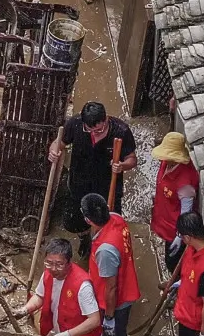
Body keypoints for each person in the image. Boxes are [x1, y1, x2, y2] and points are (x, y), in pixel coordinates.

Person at [12, 238, 103, 336]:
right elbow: (40, 296)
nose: (53, 268)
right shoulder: (48, 274)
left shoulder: (82, 286)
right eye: (49, 263)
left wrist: (67, 335)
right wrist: (25, 310)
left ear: (69, 262)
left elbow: (94, 320)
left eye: (59, 264)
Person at [48, 102, 137, 257]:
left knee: (109, 223)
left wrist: (122, 165)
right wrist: (53, 151)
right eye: (91, 130)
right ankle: (85, 238)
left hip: (108, 185)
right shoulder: (75, 124)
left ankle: (102, 248)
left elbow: (132, 159)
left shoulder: (121, 131)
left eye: (100, 129)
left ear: (106, 119)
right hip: (79, 182)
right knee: (73, 221)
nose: (96, 133)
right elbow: (59, 143)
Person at [82, 194, 141, 336]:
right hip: (126, 285)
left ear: (89, 220)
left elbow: (111, 288)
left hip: (117, 301)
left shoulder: (105, 251)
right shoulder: (116, 218)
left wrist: (109, 317)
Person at [151, 132, 200, 274]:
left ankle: (176, 285)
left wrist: (180, 236)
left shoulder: (185, 182)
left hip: (174, 227)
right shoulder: (166, 163)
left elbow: (186, 211)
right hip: (164, 217)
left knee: (173, 261)